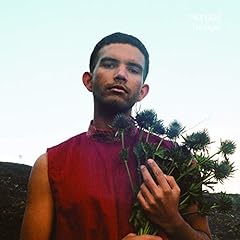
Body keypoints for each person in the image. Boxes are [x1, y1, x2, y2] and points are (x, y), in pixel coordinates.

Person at [20, 32, 212, 240]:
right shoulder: (50, 166)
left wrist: (173, 222)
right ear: (89, 81)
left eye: (133, 69)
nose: (121, 74)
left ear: (142, 92)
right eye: (109, 64)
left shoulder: (179, 160)